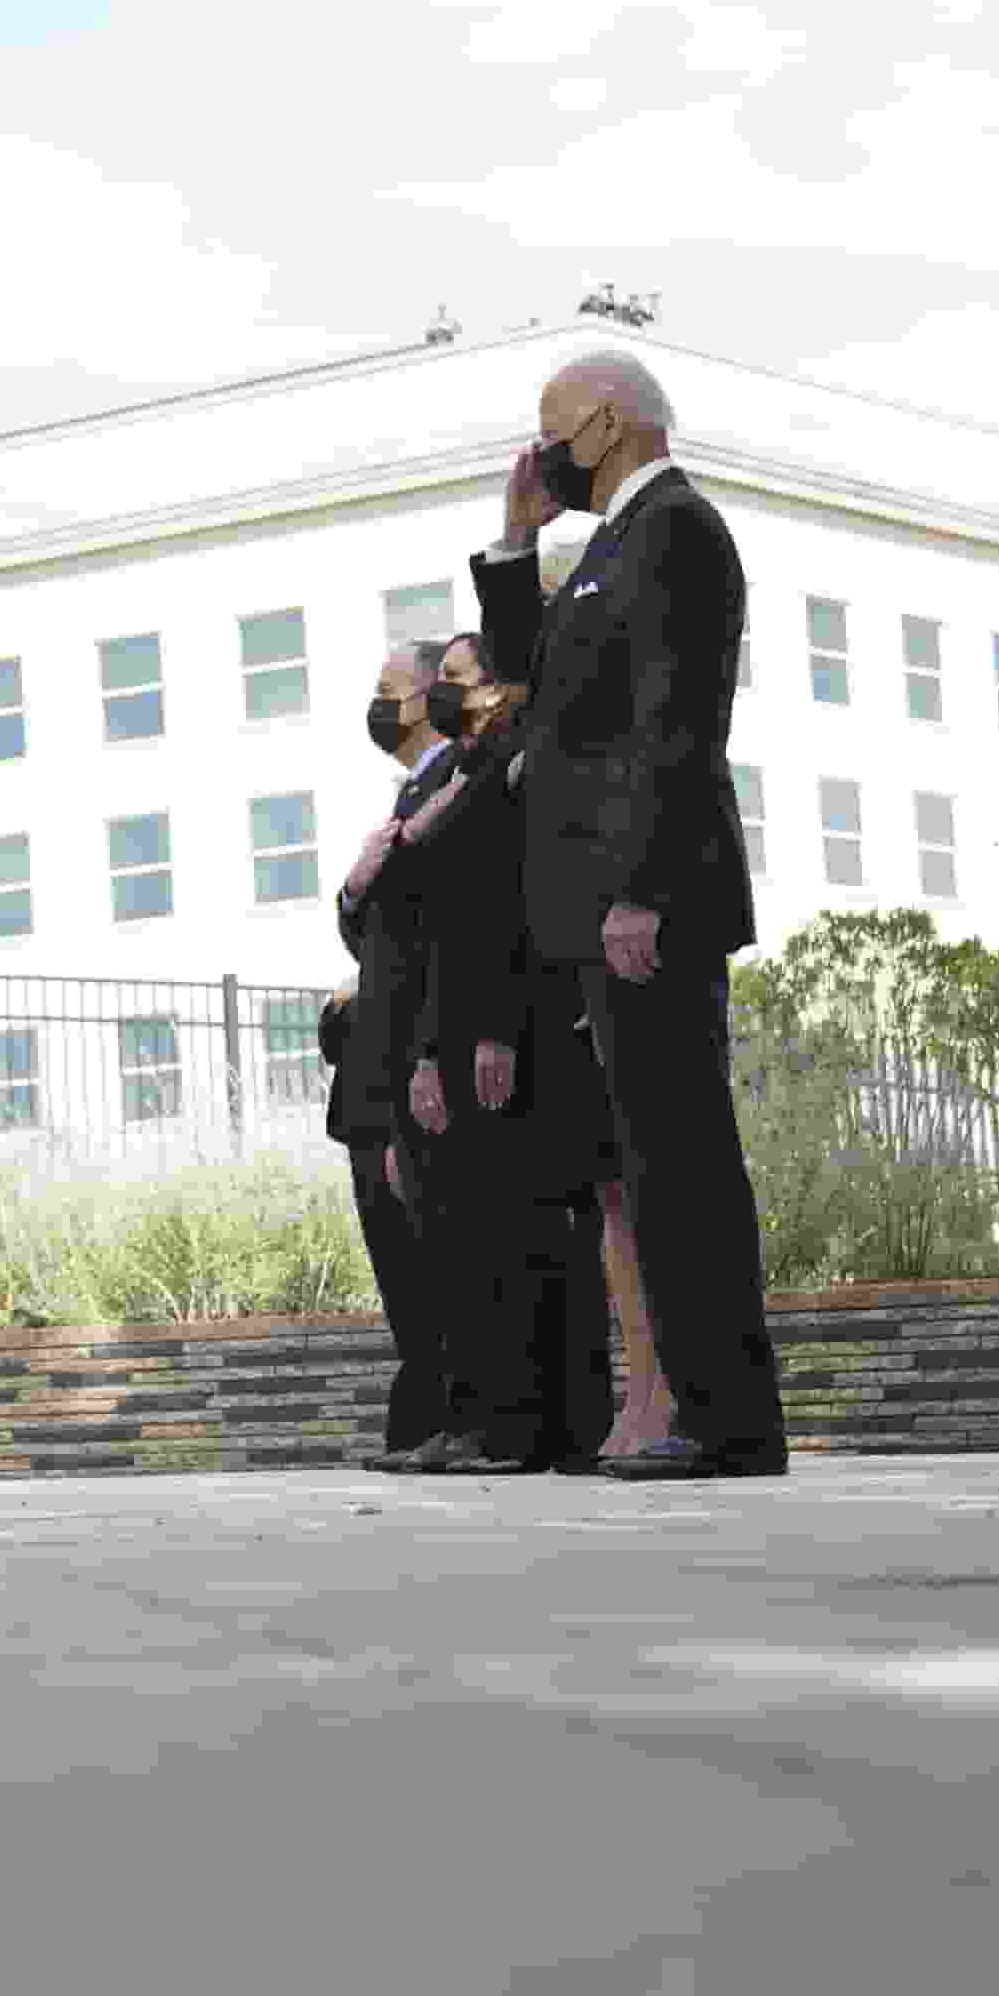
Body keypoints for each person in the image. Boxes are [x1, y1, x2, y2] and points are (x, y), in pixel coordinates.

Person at [478, 347, 786, 1480]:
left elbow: (674, 725)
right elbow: (535, 681)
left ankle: (727, 1417)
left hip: (640, 904)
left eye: (549, 427)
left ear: (605, 424)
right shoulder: (607, 546)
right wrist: (514, 542)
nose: (537, 449)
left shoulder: (677, 532)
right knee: (650, 1163)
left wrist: (641, 890)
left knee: (682, 1162)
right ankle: (706, 1412)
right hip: (594, 909)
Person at [383, 628, 627, 1473]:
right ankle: (485, 1421)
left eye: (455, 679)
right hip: (453, 1026)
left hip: (516, 1028)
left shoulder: (516, 765)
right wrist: (427, 1049)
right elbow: (436, 925)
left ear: (498, 684)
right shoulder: (466, 772)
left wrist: (495, 1029)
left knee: (534, 1244)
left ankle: (539, 1426)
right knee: (478, 1246)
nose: (443, 697)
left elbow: (510, 911)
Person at [327, 638, 471, 1470]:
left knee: (434, 1252)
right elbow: (370, 929)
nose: (380, 706)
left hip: (419, 1056)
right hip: (378, 1066)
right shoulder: (405, 796)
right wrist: (355, 882)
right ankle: (427, 1416)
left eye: (391, 690)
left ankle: (451, 1414)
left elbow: (434, 932)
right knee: (403, 1261)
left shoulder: (453, 782)